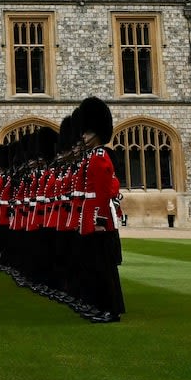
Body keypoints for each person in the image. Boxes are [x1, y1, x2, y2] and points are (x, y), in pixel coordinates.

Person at [75, 96, 123, 324]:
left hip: (98, 219)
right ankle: (99, 305)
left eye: (87, 131)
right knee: (93, 265)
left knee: (103, 267)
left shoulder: (101, 157)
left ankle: (109, 309)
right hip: (89, 216)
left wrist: (100, 219)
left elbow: (104, 192)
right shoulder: (92, 157)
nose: (83, 136)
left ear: (97, 132)